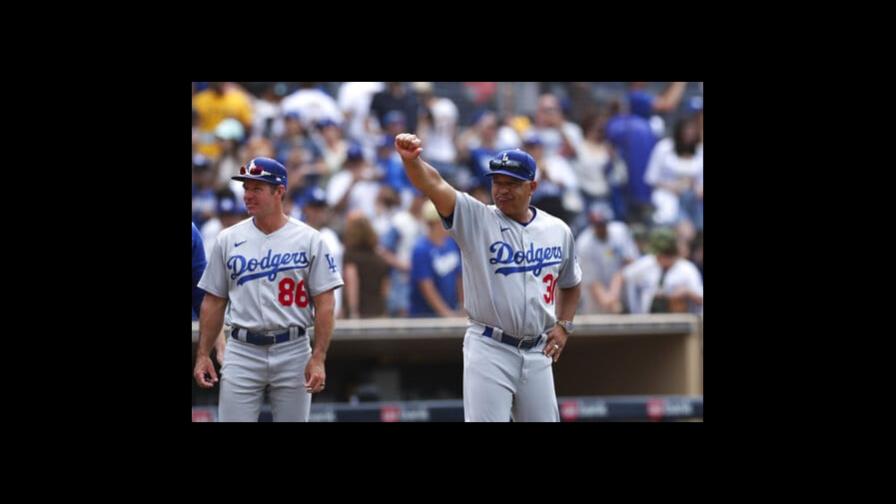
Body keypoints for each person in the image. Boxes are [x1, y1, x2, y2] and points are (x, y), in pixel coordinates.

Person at [395, 133, 582, 422]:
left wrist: (564, 325)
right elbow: (434, 184)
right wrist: (412, 161)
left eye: (512, 183)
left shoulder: (557, 230)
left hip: (537, 350)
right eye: (497, 182)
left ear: (532, 186)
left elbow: (571, 283)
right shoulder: (477, 219)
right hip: (490, 346)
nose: (502, 190)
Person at [193, 157, 344, 422]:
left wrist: (319, 357)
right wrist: (204, 353)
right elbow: (213, 301)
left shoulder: (309, 239)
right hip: (242, 349)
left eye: (257, 189)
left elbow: (325, 303)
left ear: (279, 191)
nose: (248, 195)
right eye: (246, 188)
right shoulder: (227, 239)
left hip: (293, 347)